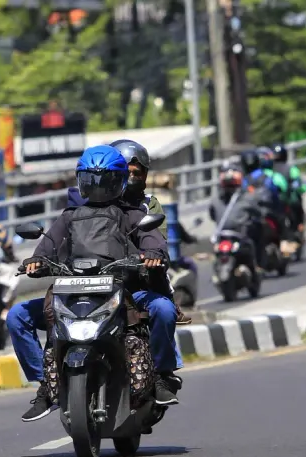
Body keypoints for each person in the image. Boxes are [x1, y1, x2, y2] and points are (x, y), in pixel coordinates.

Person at [10, 145, 181, 422]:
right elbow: (46, 247)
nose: (99, 187)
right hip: (74, 294)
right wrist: (35, 262)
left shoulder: (134, 215)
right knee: (17, 316)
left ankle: (161, 377)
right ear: (81, 181)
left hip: (125, 293)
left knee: (163, 310)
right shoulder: (69, 216)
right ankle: (46, 385)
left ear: (121, 181)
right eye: (92, 180)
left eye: (106, 180)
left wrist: (152, 256)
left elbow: (155, 243)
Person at [108, 139, 193, 325]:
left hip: (135, 277)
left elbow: (156, 239)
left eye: (136, 173)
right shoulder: (91, 207)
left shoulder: (147, 206)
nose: (131, 178)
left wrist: (150, 255)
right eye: (126, 172)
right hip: (96, 281)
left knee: (163, 311)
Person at [271, 142, 306, 232]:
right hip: (287, 201)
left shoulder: (269, 170)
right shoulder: (291, 169)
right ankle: (299, 226)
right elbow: (299, 186)